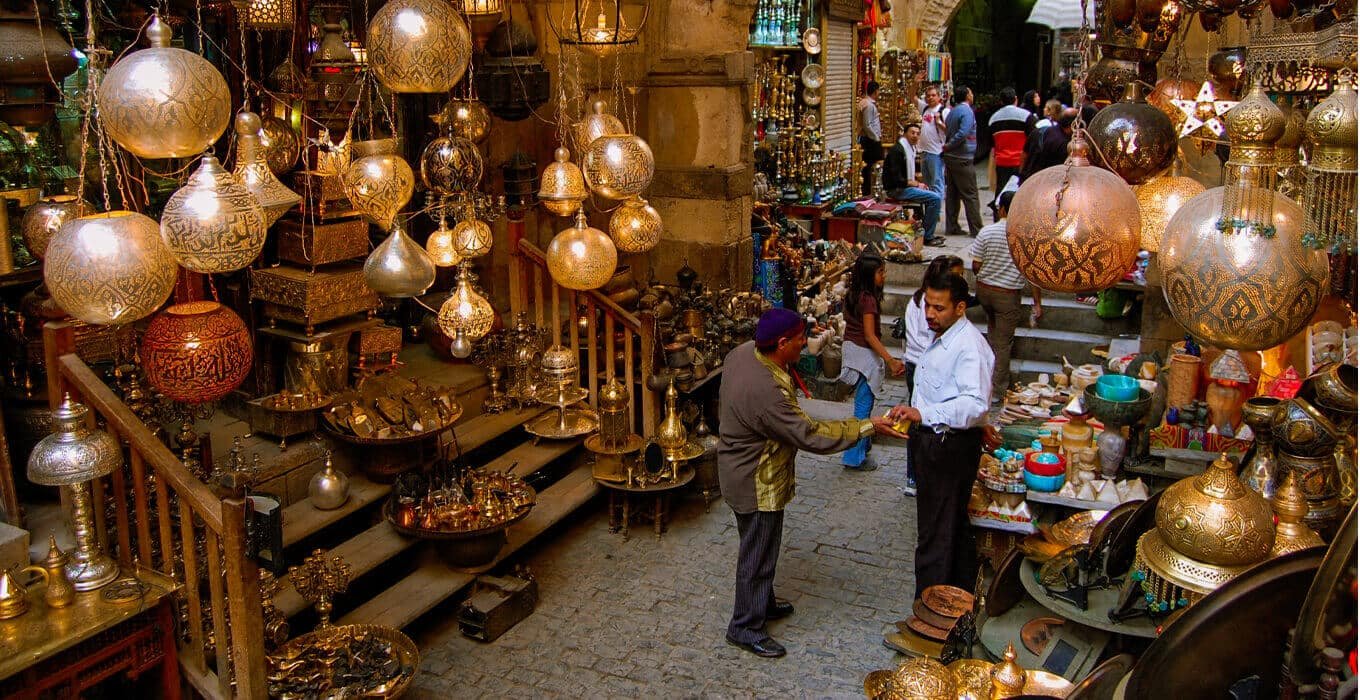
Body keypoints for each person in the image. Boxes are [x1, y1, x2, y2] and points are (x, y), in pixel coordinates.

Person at [719, 308, 899, 658]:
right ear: (782, 342)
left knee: (761, 546)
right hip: (757, 480)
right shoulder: (766, 392)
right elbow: (811, 434)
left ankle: (762, 603)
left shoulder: (742, 353)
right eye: (800, 339)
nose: (805, 344)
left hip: (742, 469)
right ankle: (744, 627)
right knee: (757, 552)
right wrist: (868, 426)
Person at [887, 269, 994, 600]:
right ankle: (956, 602)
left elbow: (974, 404)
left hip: (949, 447)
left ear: (960, 308)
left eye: (939, 308)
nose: (929, 314)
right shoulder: (944, 336)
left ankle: (929, 611)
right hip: (935, 442)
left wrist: (925, 414)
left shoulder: (968, 346)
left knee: (936, 533)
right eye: (927, 306)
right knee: (950, 528)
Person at [900, 254, 966, 496]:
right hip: (921, 365)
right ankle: (916, 476)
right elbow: (924, 337)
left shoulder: (922, 303)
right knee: (922, 421)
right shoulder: (922, 304)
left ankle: (921, 476)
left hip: (920, 362)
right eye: (957, 275)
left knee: (925, 418)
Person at [970, 190, 1043, 401]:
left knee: (994, 336)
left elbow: (976, 265)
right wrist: (1037, 302)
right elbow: (1032, 274)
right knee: (1002, 344)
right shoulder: (1024, 237)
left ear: (1001, 209)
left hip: (985, 290)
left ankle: (986, 380)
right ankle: (997, 390)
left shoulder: (986, 232)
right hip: (1007, 295)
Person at [839, 251, 907, 471]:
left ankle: (864, 444)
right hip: (863, 354)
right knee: (863, 407)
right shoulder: (868, 300)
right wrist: (890, 360)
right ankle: (853, 456)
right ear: (869, 275)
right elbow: (870, 335)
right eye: (880, 272)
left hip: (852, 349)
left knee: (862, 403)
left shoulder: (854, 294)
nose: (884, 276)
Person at [882, 122, 945, 247]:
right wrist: (915, 184)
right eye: (912, 133)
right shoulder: (898, 150)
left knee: (932, 194)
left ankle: (924, 232)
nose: (915, 136)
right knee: (935, 199)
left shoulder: (910, 148)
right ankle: (927, 236)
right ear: (905, 134)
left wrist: (917, 184)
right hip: (897, 189)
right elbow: (896, 178)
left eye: (917, 133)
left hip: (904, 187)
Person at [942, 85, 983, 237]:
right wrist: (949, 145)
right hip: (962, 157)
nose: (972, 94)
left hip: (952, 157)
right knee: (970, 194)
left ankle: (952, 225)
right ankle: (976, 228)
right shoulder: (967, 111)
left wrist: (948, 147)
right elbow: (963, 133)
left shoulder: (953, 111)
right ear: (967, 95)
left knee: (953, 193)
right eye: (971, 92)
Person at [987, 87, 1035, 212]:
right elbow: (1034, 138)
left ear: (1001, 101)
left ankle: (999, 217)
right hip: (1021, 161)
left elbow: (991, 143)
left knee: (1001, 190)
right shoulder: (1026, 116)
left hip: (1002, 161)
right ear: (1015, 99)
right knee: (1021, 191)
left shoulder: (993, 118)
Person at [917, 84, 949, 199]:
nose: (930, 98)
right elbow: (912, 98)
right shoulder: (925, 108)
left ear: (939, 97)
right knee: (927, 184)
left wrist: (939, 122)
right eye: (928, 96)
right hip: (924, 151)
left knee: (937, 182)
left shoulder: (943, 111)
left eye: (933, 95)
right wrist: (915, 83)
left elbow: (950, 131)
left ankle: (937, 212)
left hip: (936, 152)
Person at [858, 81, 883, 198]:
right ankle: (867, 192)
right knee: (869, 167)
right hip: (870, 141)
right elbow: (867, 125)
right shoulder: (868, 105)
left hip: (870, 139)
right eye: (879, 91)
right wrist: (876, 138)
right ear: (875, 91)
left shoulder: (867, 103)